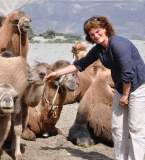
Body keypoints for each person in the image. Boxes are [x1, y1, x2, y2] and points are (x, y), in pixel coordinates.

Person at [46, 15, 145, 160]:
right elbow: (81, 63)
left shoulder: (118, 44)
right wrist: (56, 73)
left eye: (97, 31)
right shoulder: (99, 49)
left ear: (105, 29)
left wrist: (125, 95)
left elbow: (128, 71)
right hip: (120, 87)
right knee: (117, 127)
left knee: (136, 128)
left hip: (136, 87)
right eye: (92, 34)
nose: (95, 35)